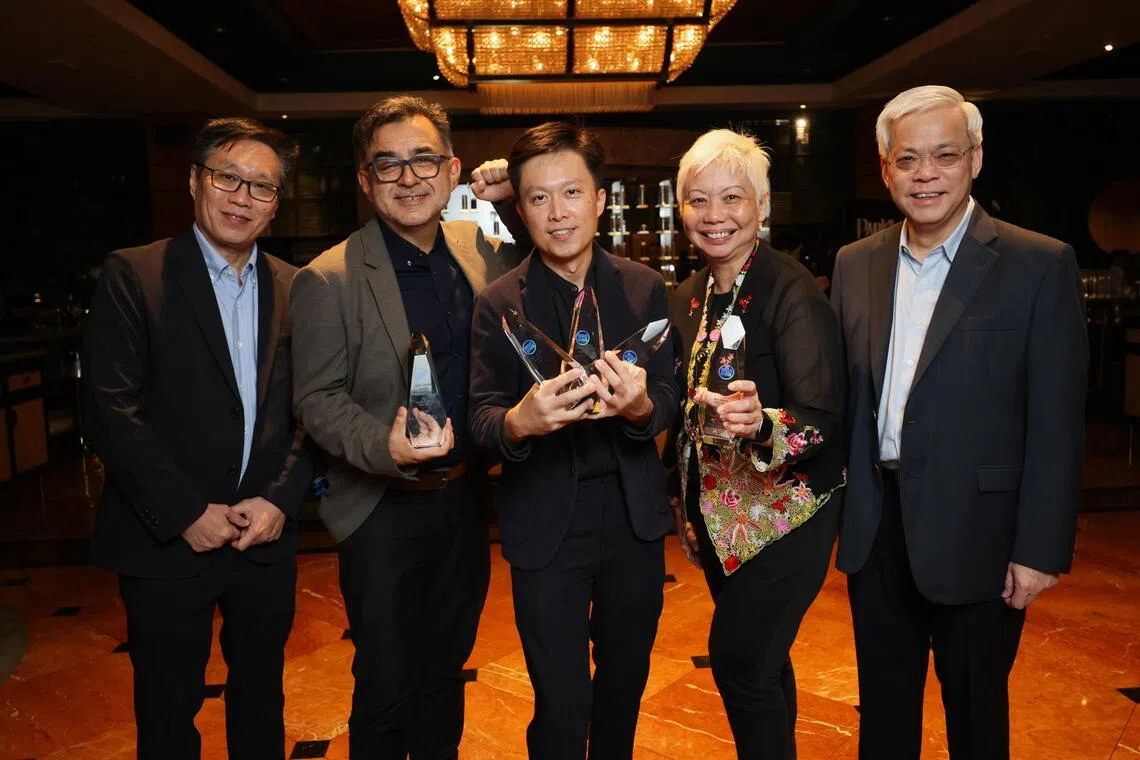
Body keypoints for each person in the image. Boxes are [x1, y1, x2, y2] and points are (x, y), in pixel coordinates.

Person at [830, 85, 1088, 760]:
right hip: (878, 528)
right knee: (884, 713)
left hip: (982, 533)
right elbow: (844, 402)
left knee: (975, 715)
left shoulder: (1038, 264)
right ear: (885, 169)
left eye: (944, 155)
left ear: (975, 158)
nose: (926, 174)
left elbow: (1057, 420)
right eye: (908, 159)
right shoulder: (855, 265)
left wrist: (1040, 548)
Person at [289, 95, 518, 759]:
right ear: (364, 180)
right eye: (387, 166)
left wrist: (514, 195)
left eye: (423, 161)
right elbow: (318, 398)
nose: (408, 178)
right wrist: (380, 446)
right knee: (386, 685)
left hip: (466, 504)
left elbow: (554, 278)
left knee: (445, 672)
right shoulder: (327, 278)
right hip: (381, 512)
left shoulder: (480, 251)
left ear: (452, 171)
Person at [84, 117, 311, 760]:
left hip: (263, 535)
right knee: (166, 711)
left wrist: (281, 500)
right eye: (227, 178)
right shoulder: (136, 274)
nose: (242, 197)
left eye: (261, 187)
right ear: (194, 181)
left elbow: (310, 411)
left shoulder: (299, 288)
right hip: (166, 541)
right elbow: (110, 410)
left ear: (275, 203)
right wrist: (185, 512)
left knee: (262, 701)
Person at [467, 122, 678, 759]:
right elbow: (479, 417)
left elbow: (668, 394)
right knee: (560, 706)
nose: (557, 213)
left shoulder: (643, 288)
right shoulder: (500, 302)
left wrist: (641, 408)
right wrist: (517, 423)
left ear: (600, 200)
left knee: (624, 688)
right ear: (520, 207)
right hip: (545, 523)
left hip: (632, 518)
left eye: (571, 193)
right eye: (537, 198)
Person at [666, 129, 846, 759]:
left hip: (786, 517)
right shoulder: (690, 295)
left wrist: (763, 423)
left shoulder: (790, 289)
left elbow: (823, 414)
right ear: (681, 208)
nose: (715, 216)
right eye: (698, 200)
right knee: (764, 668)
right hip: (720, 521)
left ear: (762, 205)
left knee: (740, 662)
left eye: (732, 198)